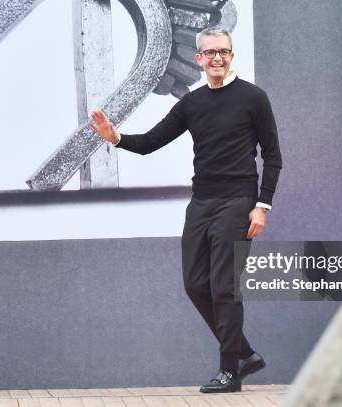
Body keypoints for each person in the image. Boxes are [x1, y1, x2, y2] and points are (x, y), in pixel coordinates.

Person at [90, 27, 282, 393]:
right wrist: (115, 138)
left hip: (238, 201)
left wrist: (262, 206)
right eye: (209, 52)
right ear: (199, 59)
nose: (216, 58)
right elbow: (150, 142)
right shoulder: (191, 104)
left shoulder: (254, 98)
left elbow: (273, 157)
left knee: (224, 286)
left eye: (223, 52)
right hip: (202, 203)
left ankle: (230, 371)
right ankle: (244, 352)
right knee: (195, 284)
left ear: (232, 55)